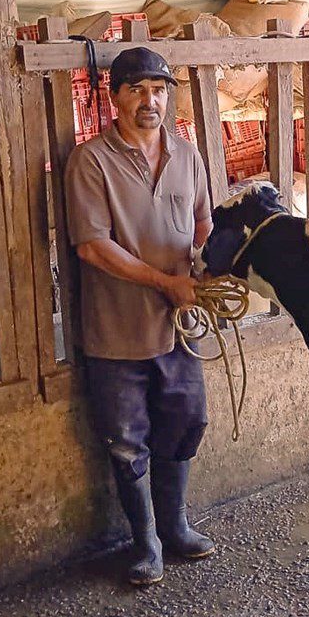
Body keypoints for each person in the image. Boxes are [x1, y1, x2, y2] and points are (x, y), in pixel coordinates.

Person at [65, 47, 215, 585]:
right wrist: (165, 282)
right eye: (137, 89)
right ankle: (145, 542)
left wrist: (203, 264)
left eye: (159, 89)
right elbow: (93, 247)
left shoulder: (187, 154)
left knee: (187, 420)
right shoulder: (90, 162)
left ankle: (175, 527)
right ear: (115, 97)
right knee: (127, 439)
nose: (150, 101)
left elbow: (202, 221)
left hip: (179, 328)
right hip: (117, 328)